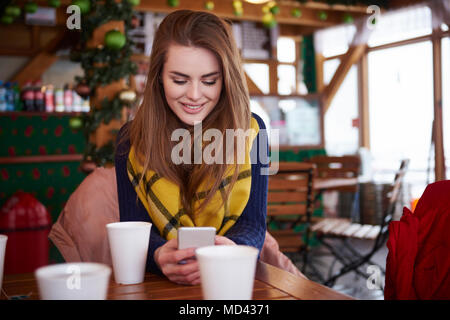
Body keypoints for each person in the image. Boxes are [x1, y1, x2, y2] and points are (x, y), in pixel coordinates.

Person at [114, 10, 268, 285]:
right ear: (159, 77)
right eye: (180, 80)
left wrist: (234, 250)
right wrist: (158, 255)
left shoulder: (254, 132)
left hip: (232, 280)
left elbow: (253, 224)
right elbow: (134, 229)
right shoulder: (129, 140)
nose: (195, 95)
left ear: (226, 79)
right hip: (160, 286)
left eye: (209, 81)